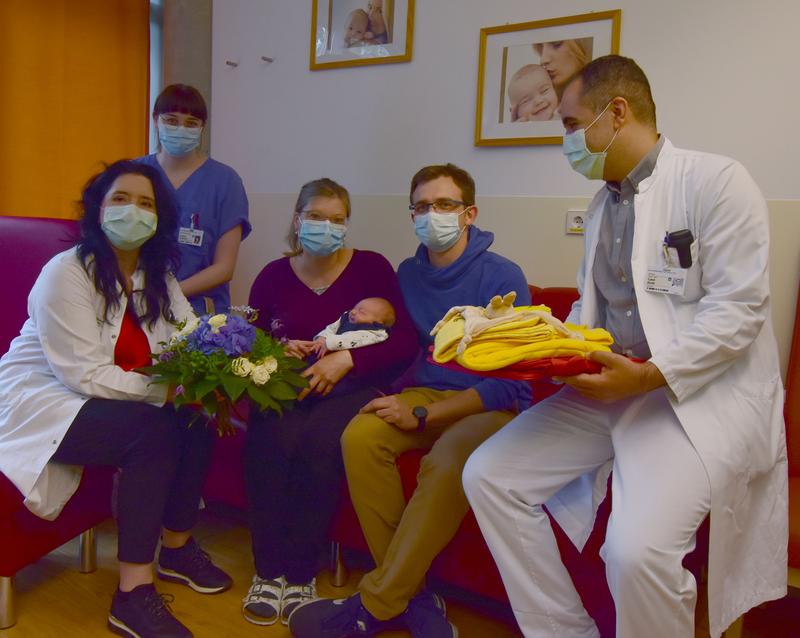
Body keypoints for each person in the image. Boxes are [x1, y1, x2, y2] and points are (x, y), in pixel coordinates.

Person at [463, 55, 788, 638]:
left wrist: (648, 376)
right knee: (489, 474)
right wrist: (537, 345)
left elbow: (739, 310)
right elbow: (595, 313)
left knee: (636, 554)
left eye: (569, 125)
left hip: (689, 396)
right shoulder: (602, 206)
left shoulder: (714, 181)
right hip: (612, 386)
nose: (566, 143)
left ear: (616, 113)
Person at [288, 164, 533, 638]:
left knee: (446, 461)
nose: (432, 215)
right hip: (425, 389)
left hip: (486, 404)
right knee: (360, 436)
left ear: (469, 214)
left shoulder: (502, 275)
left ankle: (376, 604)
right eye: (421, 206)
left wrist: (424, 414)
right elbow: (398, 342)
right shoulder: (408, 273)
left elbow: (515, 385)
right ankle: (414, 597)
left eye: (444, 205)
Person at [0, 160, 232, 638]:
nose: (133, 212)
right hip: (45, 399)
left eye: (146, 203)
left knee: (197, 418)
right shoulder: (65, 274)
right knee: (153, 433)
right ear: (98, 210)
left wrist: (224, 364)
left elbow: (188, 333)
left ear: (160, 217)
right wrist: (170, 390)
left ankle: (177, 547)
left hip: (112, 391)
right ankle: (132, 593)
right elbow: (83, 373)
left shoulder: (158, 275)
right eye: (120, 200)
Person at [242, 178, 417, 627]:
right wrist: (277, 352)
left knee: (320, 444)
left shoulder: (373, 269)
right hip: (285, 387)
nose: (326, 227)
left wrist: (348, 360)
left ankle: (301, 573)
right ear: (298, 219)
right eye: (316, 217)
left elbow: (404, 342)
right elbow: (252, 344)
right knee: (270, 440)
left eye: (337, 220)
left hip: (354, 387)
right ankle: (268, 571)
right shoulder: (272, 276)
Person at [138, 84, 250, 316]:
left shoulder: (225, 181)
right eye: (171, 120)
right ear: (155, 120)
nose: (181, 129)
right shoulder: (134, 174)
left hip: (200, 311)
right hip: (137, 303)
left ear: (202, 128)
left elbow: (224, 267)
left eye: (191, 123)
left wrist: (168, 294)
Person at [308, 296, 396, 357]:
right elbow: (331, 328)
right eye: (355, 308)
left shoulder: (375, 333)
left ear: (378, 322)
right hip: (325, 351)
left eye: (362, 312)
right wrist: (322, 338)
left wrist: (328, 343)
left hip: (345, 369)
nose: (353, 312)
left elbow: (351, 339)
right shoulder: (346, 318)